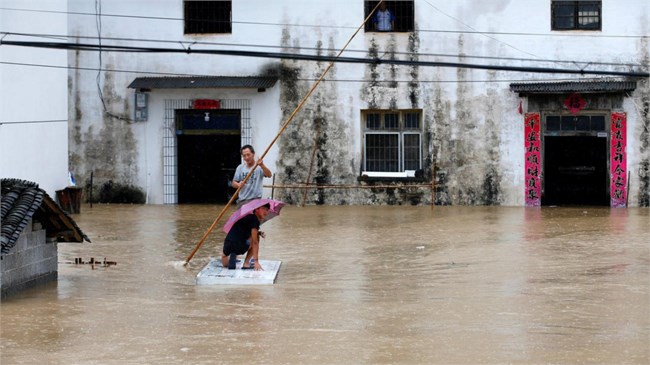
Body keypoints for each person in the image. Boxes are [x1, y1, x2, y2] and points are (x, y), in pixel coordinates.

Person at [221, 203, 269, 271]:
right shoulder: (255, 220)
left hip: (228, 244)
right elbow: (255, 242)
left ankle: (230, 257)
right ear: (256, 209)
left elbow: (242, 231)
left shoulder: (246, 217)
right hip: (239, 246)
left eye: (267, 210)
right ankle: (246, 264)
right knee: (256, 238)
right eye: (263, 208)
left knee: (225, 261)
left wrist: (259, 232)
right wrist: (256, 262)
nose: (265, 212)